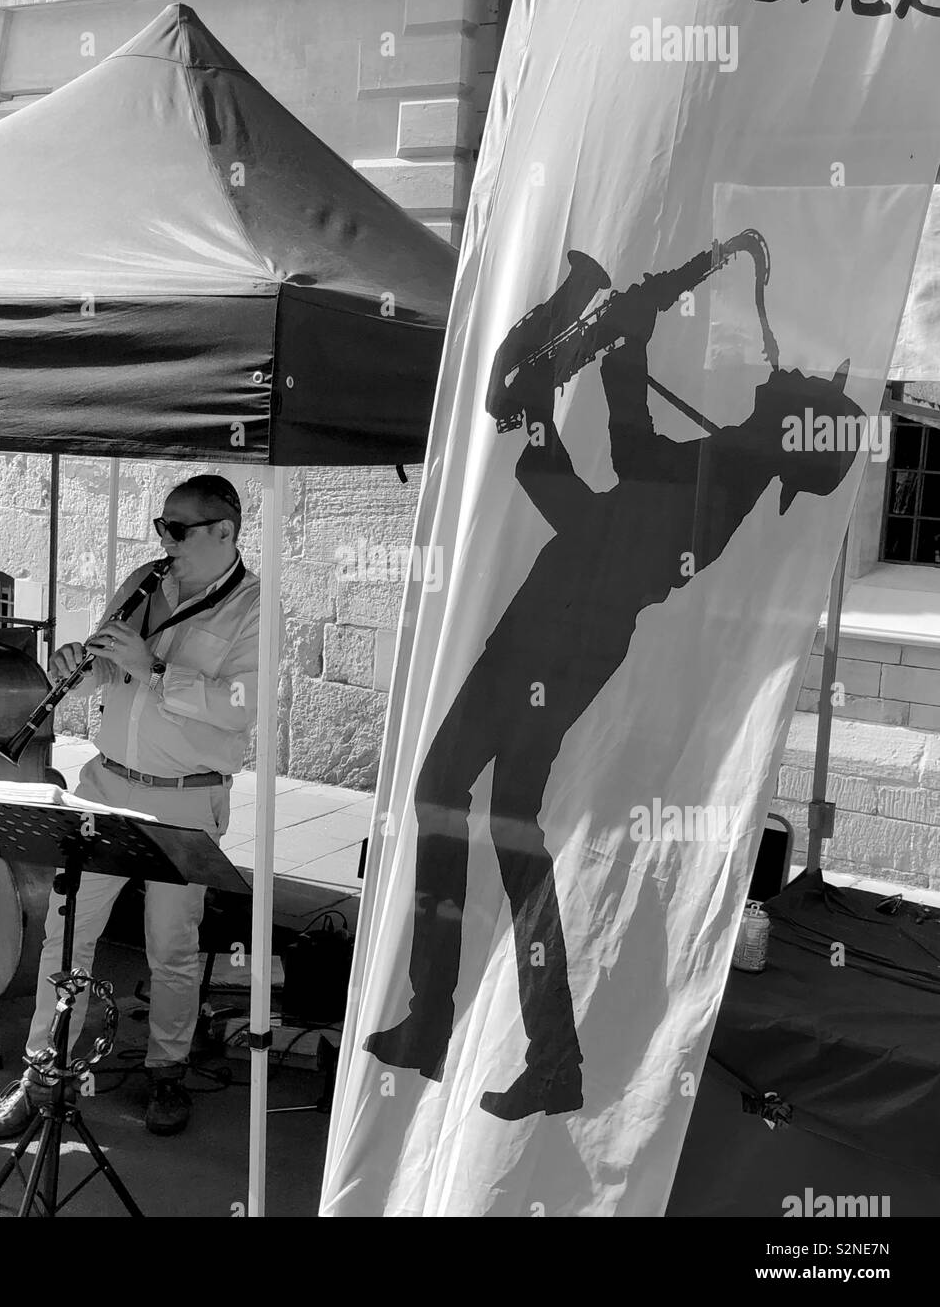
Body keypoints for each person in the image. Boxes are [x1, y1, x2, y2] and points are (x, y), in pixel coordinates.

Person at [364, 248, 865, 1121]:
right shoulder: (725, 459)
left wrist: (549, 417)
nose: (774, 376)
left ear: (793, 425)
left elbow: (601, 508)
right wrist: (620, 355)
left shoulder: (731, 471)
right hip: (553, 629)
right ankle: (454, 1027)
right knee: (473, 809)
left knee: (475, 809)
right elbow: (632, 451)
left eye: (792, 386)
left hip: (561, 644)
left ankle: (505, 1042)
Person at [0, 474, 260, 1140]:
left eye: (179, 529)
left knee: (171, 944)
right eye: (160, 525)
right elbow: (111, 665)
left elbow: (243, 705)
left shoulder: (254, 606)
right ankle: (42, 1072)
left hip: (185, 797)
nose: (164, 540)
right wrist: (86, 660)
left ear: (225, 531)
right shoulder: (144, 578)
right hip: (106, 785)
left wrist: (154, 669)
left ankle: (167, 1070)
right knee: (67, 931)